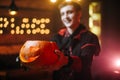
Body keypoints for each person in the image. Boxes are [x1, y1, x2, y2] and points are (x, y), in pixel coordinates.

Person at [50, 1, 101, 80]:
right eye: (62, 14)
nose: (65, 17)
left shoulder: (89, 37)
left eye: (69, 12)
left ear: (79, 14)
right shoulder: (56, 37)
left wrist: (66, 60)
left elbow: (85, 63)